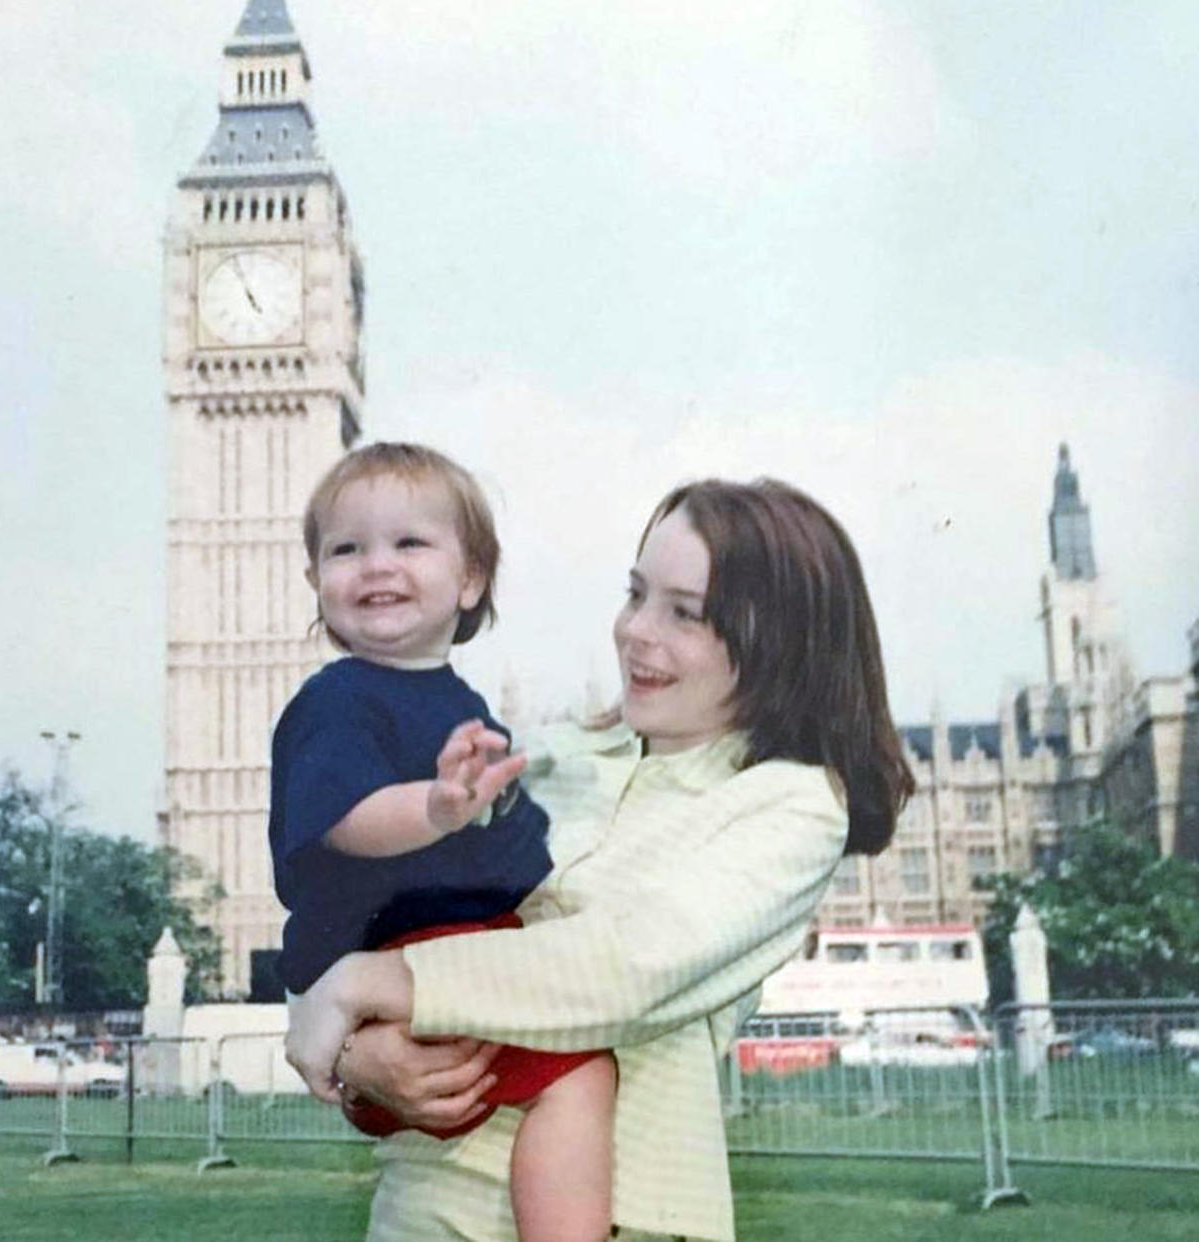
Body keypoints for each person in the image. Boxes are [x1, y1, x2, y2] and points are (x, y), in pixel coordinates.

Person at [286, 475, 916, 1242]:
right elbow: (373, 895)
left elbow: (627, 966)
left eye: (684, 613)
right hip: (426, 1205)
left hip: (617, 1215)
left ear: (777, 645)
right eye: (636, 594)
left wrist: (369, 985)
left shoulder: (791, 803)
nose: (635, 631)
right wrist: (359, 1056)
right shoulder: (546, 758)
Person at [270, 442, 617, 1242]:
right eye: (345, 549)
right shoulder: (340, 701)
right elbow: (347, 819)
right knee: (580, 1076)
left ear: (471, 580)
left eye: (408, 543)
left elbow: (516, 846)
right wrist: (437, 806)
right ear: (317, 583)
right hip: (408, 955)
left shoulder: (456, 702)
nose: (375, 565)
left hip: (428, 964)